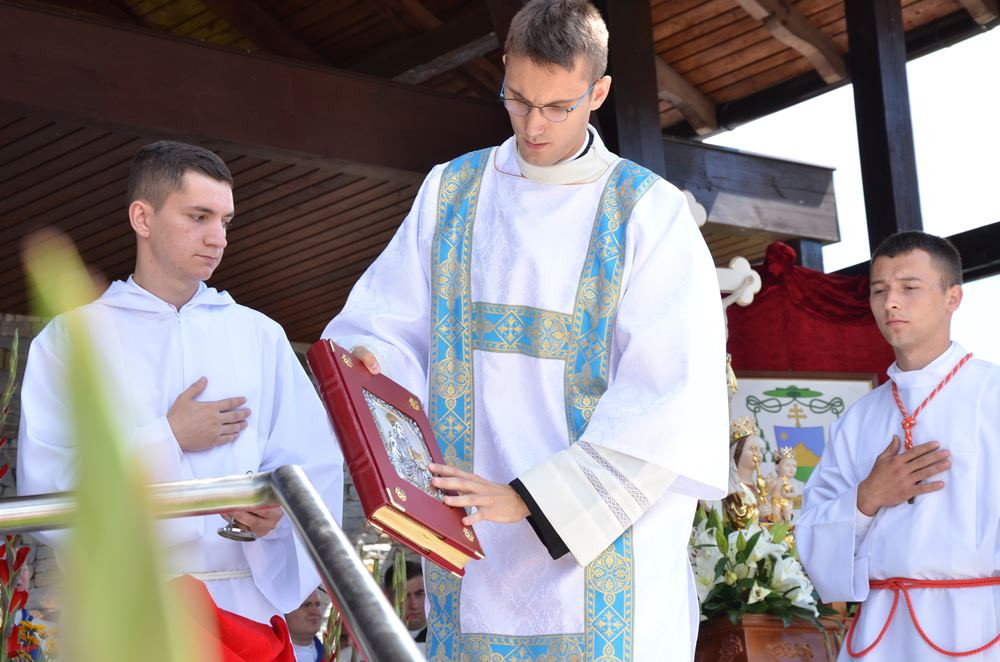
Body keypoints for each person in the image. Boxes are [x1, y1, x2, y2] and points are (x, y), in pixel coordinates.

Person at [322, 1, 728, 658]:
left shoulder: (646, 215)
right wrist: (374, 358)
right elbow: (382, 326)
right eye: (518, 100)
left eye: (558, 106)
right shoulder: (451, 193)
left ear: (597, 92)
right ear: (505, 71)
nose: (533, 125)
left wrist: (533, 499)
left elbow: (671, 398)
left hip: (601, 556)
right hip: (471, 547)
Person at [17, 140, 344, 624]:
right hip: (132, 612)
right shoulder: (72, 340)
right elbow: (47, 491)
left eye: (225, 221)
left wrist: (274, 519)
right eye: (198, 217)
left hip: (245, 606)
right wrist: (169, 437)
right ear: (142, 219)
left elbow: (311, 465)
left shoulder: (258, 334)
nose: (219, 238)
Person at [797, 231, 1000, 660]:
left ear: (953, 298)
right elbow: (812, 537)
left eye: (909, 288)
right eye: (879, 290)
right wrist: (867, 498)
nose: (890, 302)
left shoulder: (993, 394)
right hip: (883, 631)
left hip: (980, 624)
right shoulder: (859, 417)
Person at [382, 560, 427, 644]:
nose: (414, 605)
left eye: (419, 594)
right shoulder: (372, 641)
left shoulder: (446, 640)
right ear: (387, 597)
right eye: (404, 596)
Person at [285, 589, 325, 662]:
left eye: (318, 604)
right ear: (284, 611)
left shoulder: (330, 656)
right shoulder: (269, 656)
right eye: (306, 605)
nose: (315, 611)